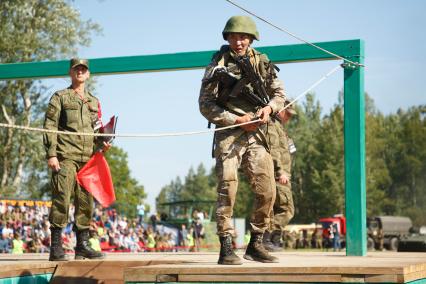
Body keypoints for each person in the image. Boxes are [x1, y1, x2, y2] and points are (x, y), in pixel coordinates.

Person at [199, 15, 285, 265]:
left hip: (258, 133)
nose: (239, 41)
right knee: (228, 187)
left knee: (267, 189)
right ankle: (226, 246)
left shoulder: (262, 62)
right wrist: (236, 120)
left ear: (251, 39)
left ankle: (256, 243)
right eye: (235, 36)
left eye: (244, 37)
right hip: (229, 134)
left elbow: (279, 93)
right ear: (227, 37)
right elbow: (205, 105)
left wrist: (268, 109)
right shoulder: (217, 65)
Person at [43, 58, 111, 261]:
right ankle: (56, 247)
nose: (80, 72)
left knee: (85, 202)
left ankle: (82, 245)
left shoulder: (93, 101)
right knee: (61, 199)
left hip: (87, 159)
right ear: (71, 73)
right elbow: (49, 126)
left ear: (88, 74)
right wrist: (52, 154)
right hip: (65, 156)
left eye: (83, 69)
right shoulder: (60, 97)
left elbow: (97, 128)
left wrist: (104, 142)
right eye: (76, 69)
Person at [263, 100, 297, 251]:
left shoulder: (280, 128)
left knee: (276, 210)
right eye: (288, 114)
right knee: (287, 210)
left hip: (283, 176)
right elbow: (274, 150)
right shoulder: (273, 126)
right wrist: (280, 171)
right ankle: (266, 237)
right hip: (279, 176)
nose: (289, 118)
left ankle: (273, 240)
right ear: (280, 111)